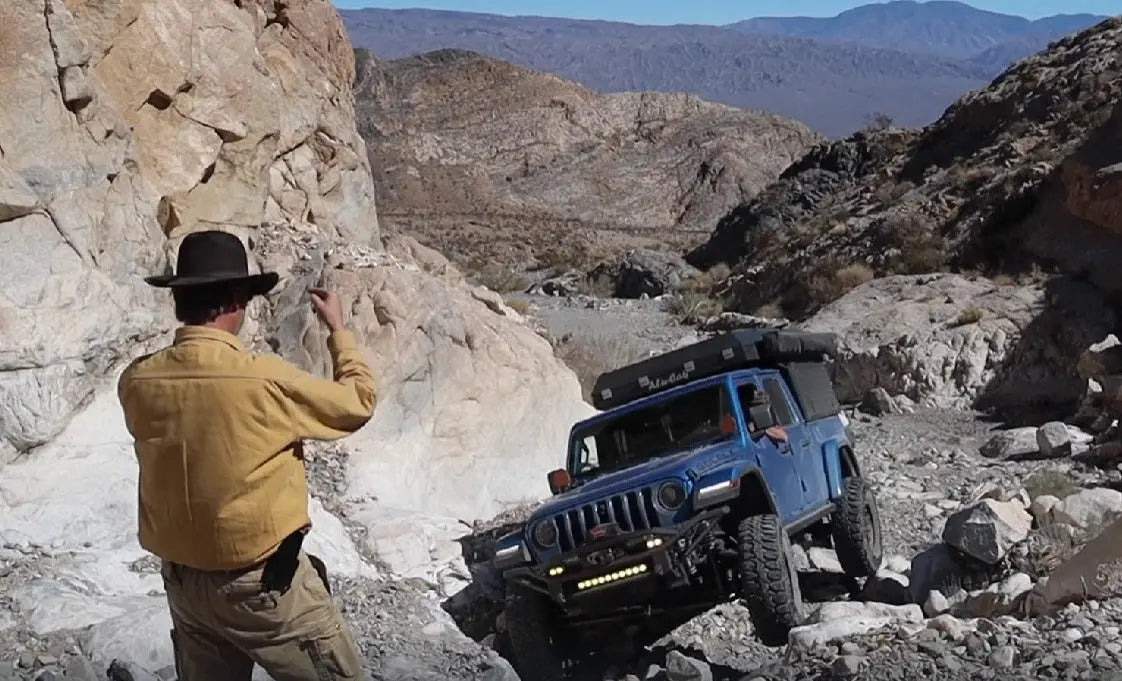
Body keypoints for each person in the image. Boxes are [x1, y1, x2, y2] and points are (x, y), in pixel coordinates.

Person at [116, 230, 377, 681]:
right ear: (238, 299)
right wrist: (338, 331)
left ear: (178, 300)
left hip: (184, 583)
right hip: (263, 587)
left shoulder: (137, 380)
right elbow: (358, 402)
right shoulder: (263, 380)